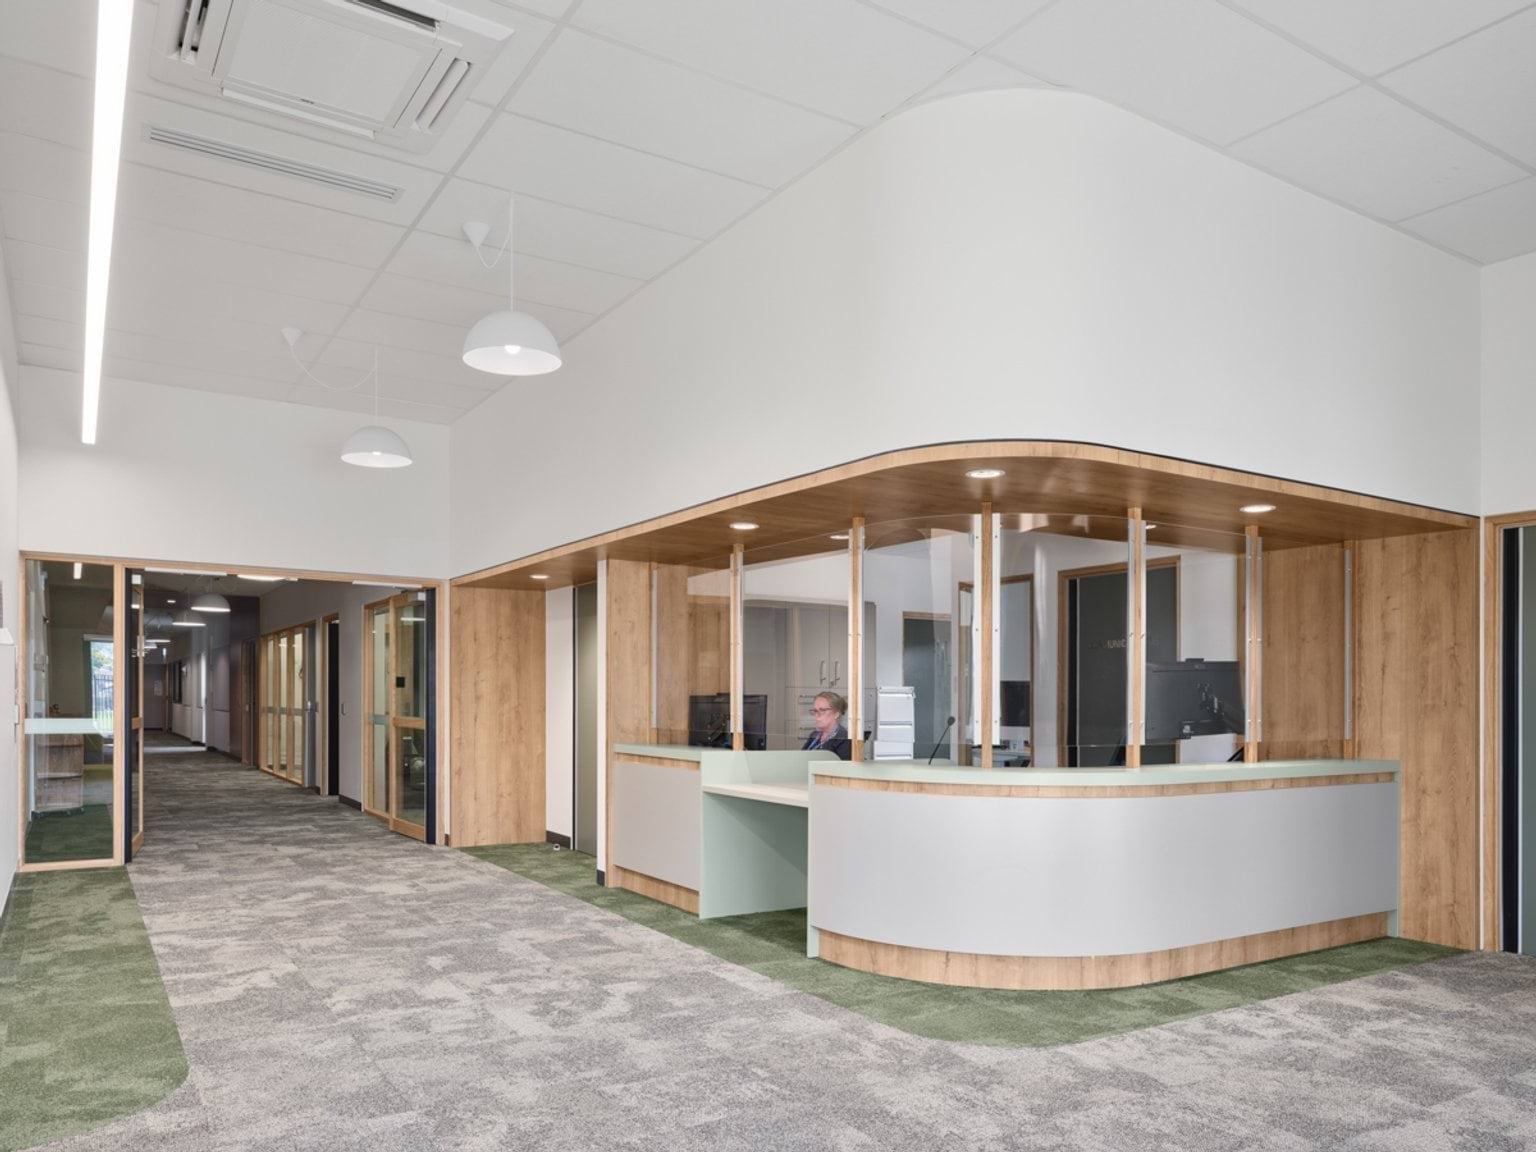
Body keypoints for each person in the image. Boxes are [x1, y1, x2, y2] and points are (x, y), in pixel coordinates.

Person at [803, 691, 852, 761]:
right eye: (815, 710)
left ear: (836, 714)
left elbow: (843, 768)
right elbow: (801, 757)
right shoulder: (814, 735)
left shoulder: (844, 739)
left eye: (822, 710)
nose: (816, 715)